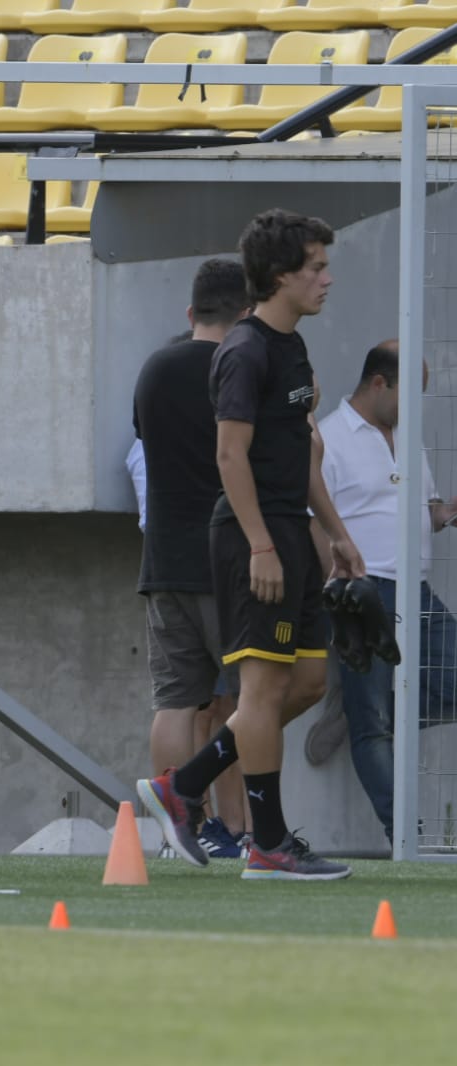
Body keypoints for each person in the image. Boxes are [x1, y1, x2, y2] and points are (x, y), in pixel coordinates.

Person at [138, 208, 366, 881]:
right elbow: (229, 456)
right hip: (252, 540)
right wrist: (262, 545)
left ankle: (183, 788)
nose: (327, 279)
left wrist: (336, 533)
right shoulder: (243, 350)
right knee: (261, 693)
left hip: (291, 532)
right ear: (279, 275)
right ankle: (266, 845)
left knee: (307, 683)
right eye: (315, 268)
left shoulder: (292, 346)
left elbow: (300, 454)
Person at [131, 259, 253, 860]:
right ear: (247, 314)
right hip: (227, 560)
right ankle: (245, 830)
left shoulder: (154, 368)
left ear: (191, 311)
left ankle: (174, 832)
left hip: (164, 562)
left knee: (175, 702)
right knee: (248, 701)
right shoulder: (241, 367)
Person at [317, 340, 457, 838]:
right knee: (372, 729)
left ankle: (364, 708)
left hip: (417, 590)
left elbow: (422, 510)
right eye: (410, 395)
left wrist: (445, 513)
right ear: (379, 383)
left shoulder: (406, 436)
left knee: (385, 711)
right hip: (365, 590)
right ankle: (404, 836)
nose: (415, 409)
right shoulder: (329, 438)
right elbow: (313, 520)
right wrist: (338, 594)